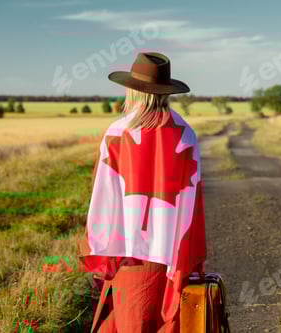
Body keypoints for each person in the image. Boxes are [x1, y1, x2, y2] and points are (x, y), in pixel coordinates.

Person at [76, 52, 207, 333]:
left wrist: (100, 247)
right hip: (171, 254)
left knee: (129, 322)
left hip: (127, 255)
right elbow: (192, 202)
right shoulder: (186, 134)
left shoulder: (117, 132)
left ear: (133, 89)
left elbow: (104, 196)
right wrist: (187, 256)